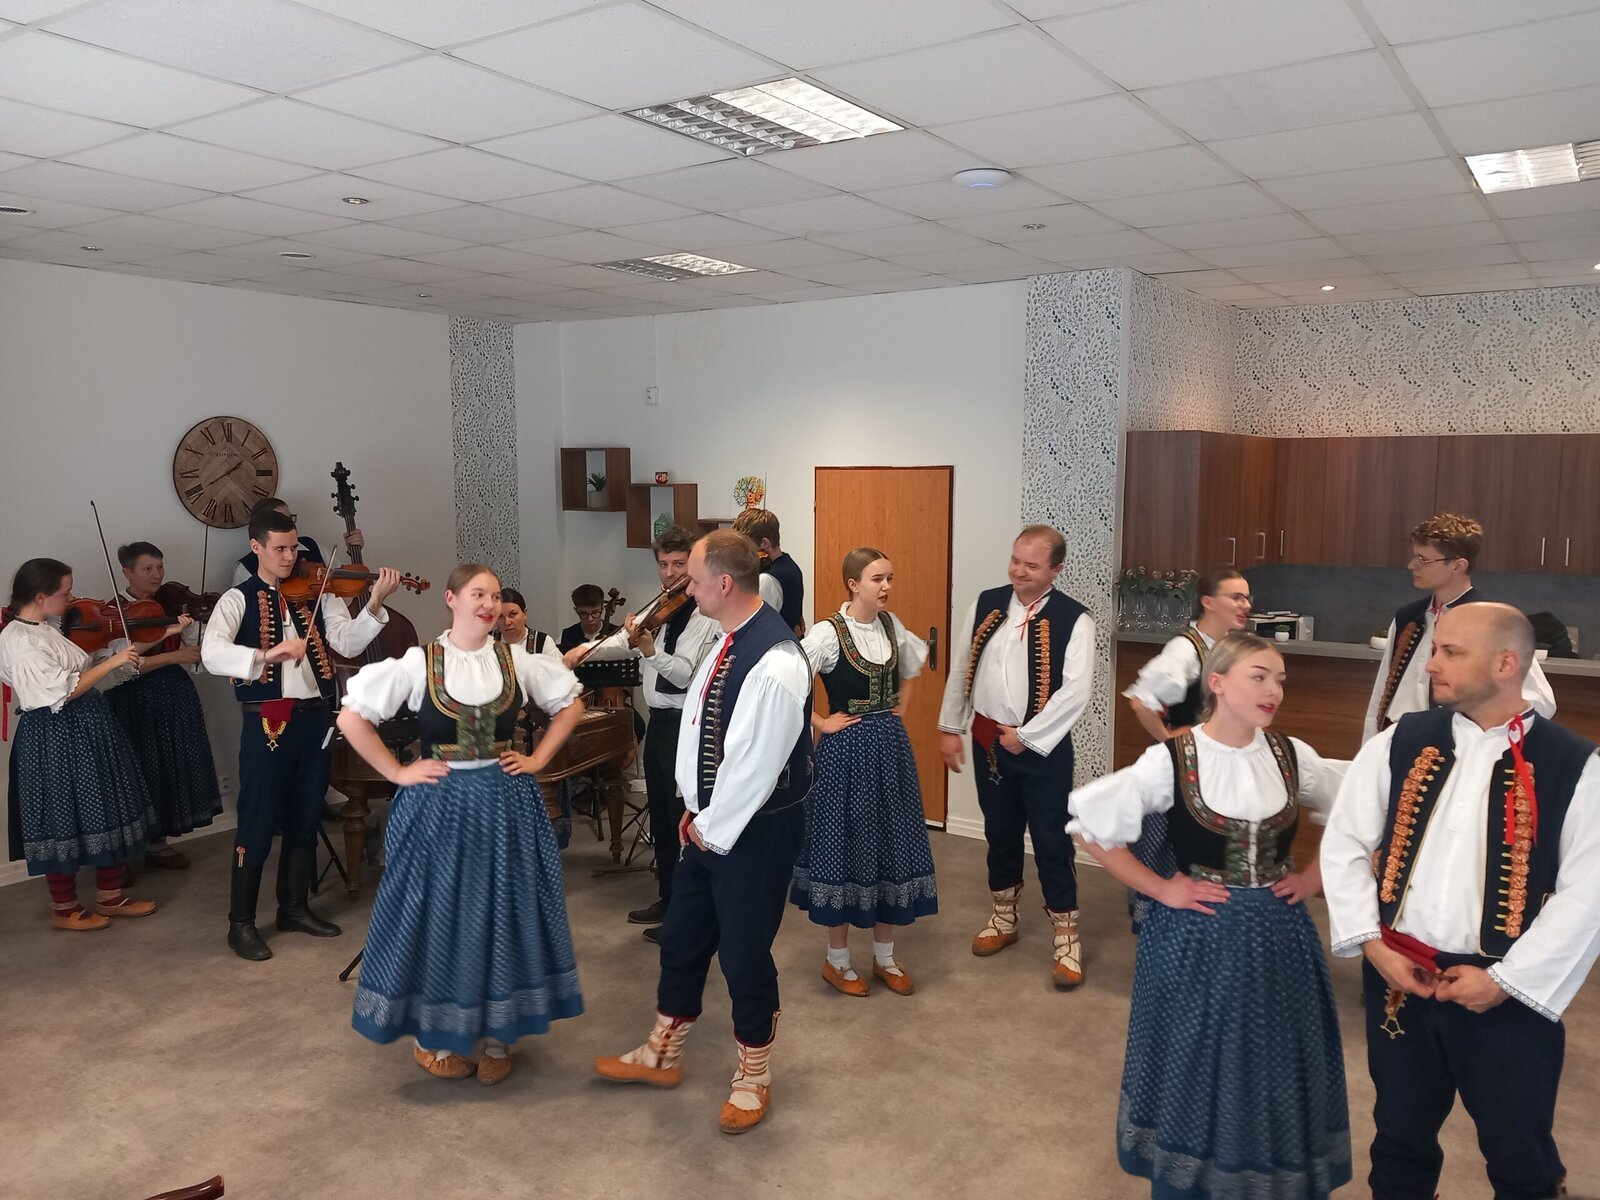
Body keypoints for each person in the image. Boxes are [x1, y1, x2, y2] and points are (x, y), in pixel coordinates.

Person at [1323, 603, 1600, 1200]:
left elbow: (1589, 893)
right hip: (1401, 977)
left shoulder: (1575, 765)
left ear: (1506, 664)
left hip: (1507, 992)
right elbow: (1344, 841)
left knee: (1519, 1151)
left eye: (1451, 652)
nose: (1431, 665)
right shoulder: (1402, 741)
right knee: (1398, 1137)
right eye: (1435, 649)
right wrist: (1373, 945)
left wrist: (1505, 981)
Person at [1069, 631, 1352, 1199]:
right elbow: (1091, 827)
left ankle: (1269, 1179)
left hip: (1279, 936)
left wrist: (1311, 878)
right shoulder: (1171, 758)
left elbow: (1354, 812)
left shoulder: (1290, 754)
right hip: (1195, 939)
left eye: (1279, 680)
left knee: (1273, 1060)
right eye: (1259, 677)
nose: (1273, 690)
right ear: (1217, 683)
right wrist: (1161, 888)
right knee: (1198, 1059)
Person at [595, 531, 813, 1134]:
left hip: (756, 832)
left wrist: (710, 826)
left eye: (692, 579)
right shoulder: (726, 636)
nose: (684, 590)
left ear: (723, 583)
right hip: (712, 822)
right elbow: (701, 727)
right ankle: (662, 1053)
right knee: (684, 937)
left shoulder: (776, 660)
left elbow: (757, 768)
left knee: (743, 953)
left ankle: (754, 1075)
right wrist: (694, 807)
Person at [338, 564, 586, 1086]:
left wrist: (538, 759)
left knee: (505, 911)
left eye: (494, 596)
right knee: (438, 914)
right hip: (439, 808)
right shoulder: (419, 662)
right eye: (478, 594)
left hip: (505, 804)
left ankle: (499, 1037)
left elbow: (571, 705)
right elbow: (351, 717)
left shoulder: (517, 660)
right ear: (451, 599)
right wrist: (397, 772)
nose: (488, 604)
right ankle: (432, 1039)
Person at [201, 507, 400, 961]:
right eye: (280, 548)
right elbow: (212, 653)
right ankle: (240, 923)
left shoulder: (318, 593)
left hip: (315, 717)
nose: (290, 556)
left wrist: (374, 602)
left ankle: (293, 908)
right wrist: (265, 655)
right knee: (257, 817)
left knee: (307, 812)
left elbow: (347, 642)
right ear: (256, 547)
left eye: (294, 547)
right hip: (268, 718)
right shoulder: (237, 599)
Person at [938, 524, 1095, 988]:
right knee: (1000, 833)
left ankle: (1066, 938)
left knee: (1050, 839)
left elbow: (1076, 692)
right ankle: (1003, 917)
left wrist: (1027, 736)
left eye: (1031, 565)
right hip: (989, 742)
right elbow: (962, 666)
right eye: (1015, 561)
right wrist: (950, 727)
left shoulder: (1075, 619)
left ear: (1056, 569)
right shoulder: (987, 603)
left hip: (1042, 750)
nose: (1019, 572)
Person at [792, 547, 936, 996]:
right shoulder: (828, 632)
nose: (886, 586)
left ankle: (884, 957)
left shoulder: (892, 626)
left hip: (890, 749)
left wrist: (900, 710)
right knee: (843, 844)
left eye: (889, 577)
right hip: (845, 751)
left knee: (889, 842)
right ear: (853, 584)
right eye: (877, 579)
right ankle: (837, 962)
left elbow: (913, 666)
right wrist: (820, 722)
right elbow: (785, 680)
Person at [576, 526, 722, 941]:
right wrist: (582, 652)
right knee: (659, 812)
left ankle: (688, 914)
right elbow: (622, 640)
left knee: (681, 818)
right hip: (659, 723)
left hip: (685, 726)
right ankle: (668, 898)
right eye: (663, 564)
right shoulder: (661, 605)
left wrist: (650, 650)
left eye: (679, 564)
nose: (670, 573)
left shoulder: (703, 615)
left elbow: (683, 674)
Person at [1, 559, 159, 930]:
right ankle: (64, 909)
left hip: (85, 726)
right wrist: (112, 663)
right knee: (62, 816)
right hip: (54, 734)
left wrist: (146, 639)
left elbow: (83, 665)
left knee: (106, 805)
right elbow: (60, 691)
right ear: (41, 597)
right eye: (65, 592)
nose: (72, 598)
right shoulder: (19, 640)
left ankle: (110, 896)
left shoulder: (46, 627)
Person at [1120, 568, 1252, 930]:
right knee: (1169, 841)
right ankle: (1161, 920)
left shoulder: (1229, 646)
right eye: (1236, 597)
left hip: (1217, 761)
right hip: (1185, 763)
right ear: (1208, 601)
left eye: (1246, 597)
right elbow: (1141, 701)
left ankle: (1204, 918)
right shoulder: (1185, 648)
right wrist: (1170, 742)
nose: (1245, 604)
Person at [1364, 512, 1553, 742]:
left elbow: (1540, 701)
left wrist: (1482, 742)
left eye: (1423, 559)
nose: (1412, 565)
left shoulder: (1491, 621)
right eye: (1415, 556)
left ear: (1457, 566)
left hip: (1454, 744)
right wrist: (1369, 746)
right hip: (1397, 737)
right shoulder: (1409, 617)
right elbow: (1381, 694)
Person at [101, 541, 221, 869]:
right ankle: (127, 852)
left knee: (170, 766)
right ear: (127, 573)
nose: (157, 574)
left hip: (173, 694)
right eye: (147, 569)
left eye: (160, 567)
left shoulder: (171, 604)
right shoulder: (113, 612)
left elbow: (194, 656)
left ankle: (159, 842)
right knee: (137, 771)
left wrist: (198, 635)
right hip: (131, 698)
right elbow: (118, 666)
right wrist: (175, 654)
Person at [231, 496, 362, 587]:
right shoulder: (245, 567)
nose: (290, 556)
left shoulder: (311, 545)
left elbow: (343, 580)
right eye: (281, 520)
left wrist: (353, 551)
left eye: (290, 519)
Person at [731, 508, 805, 635]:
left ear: (764, 543)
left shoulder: (766, 580)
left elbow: (752, 628)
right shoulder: (790, 564)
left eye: (746, 547)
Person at [497, 587, 561, 662]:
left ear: (524, 614)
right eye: (500, 616)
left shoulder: (543, 642)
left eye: (513, 614)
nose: (507, 622)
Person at [558, 583, 617, 656]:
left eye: (595, 612)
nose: (590, 619)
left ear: (602, 609)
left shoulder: (617, 634)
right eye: (584, 613)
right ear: (576, 611)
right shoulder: (565, 636)